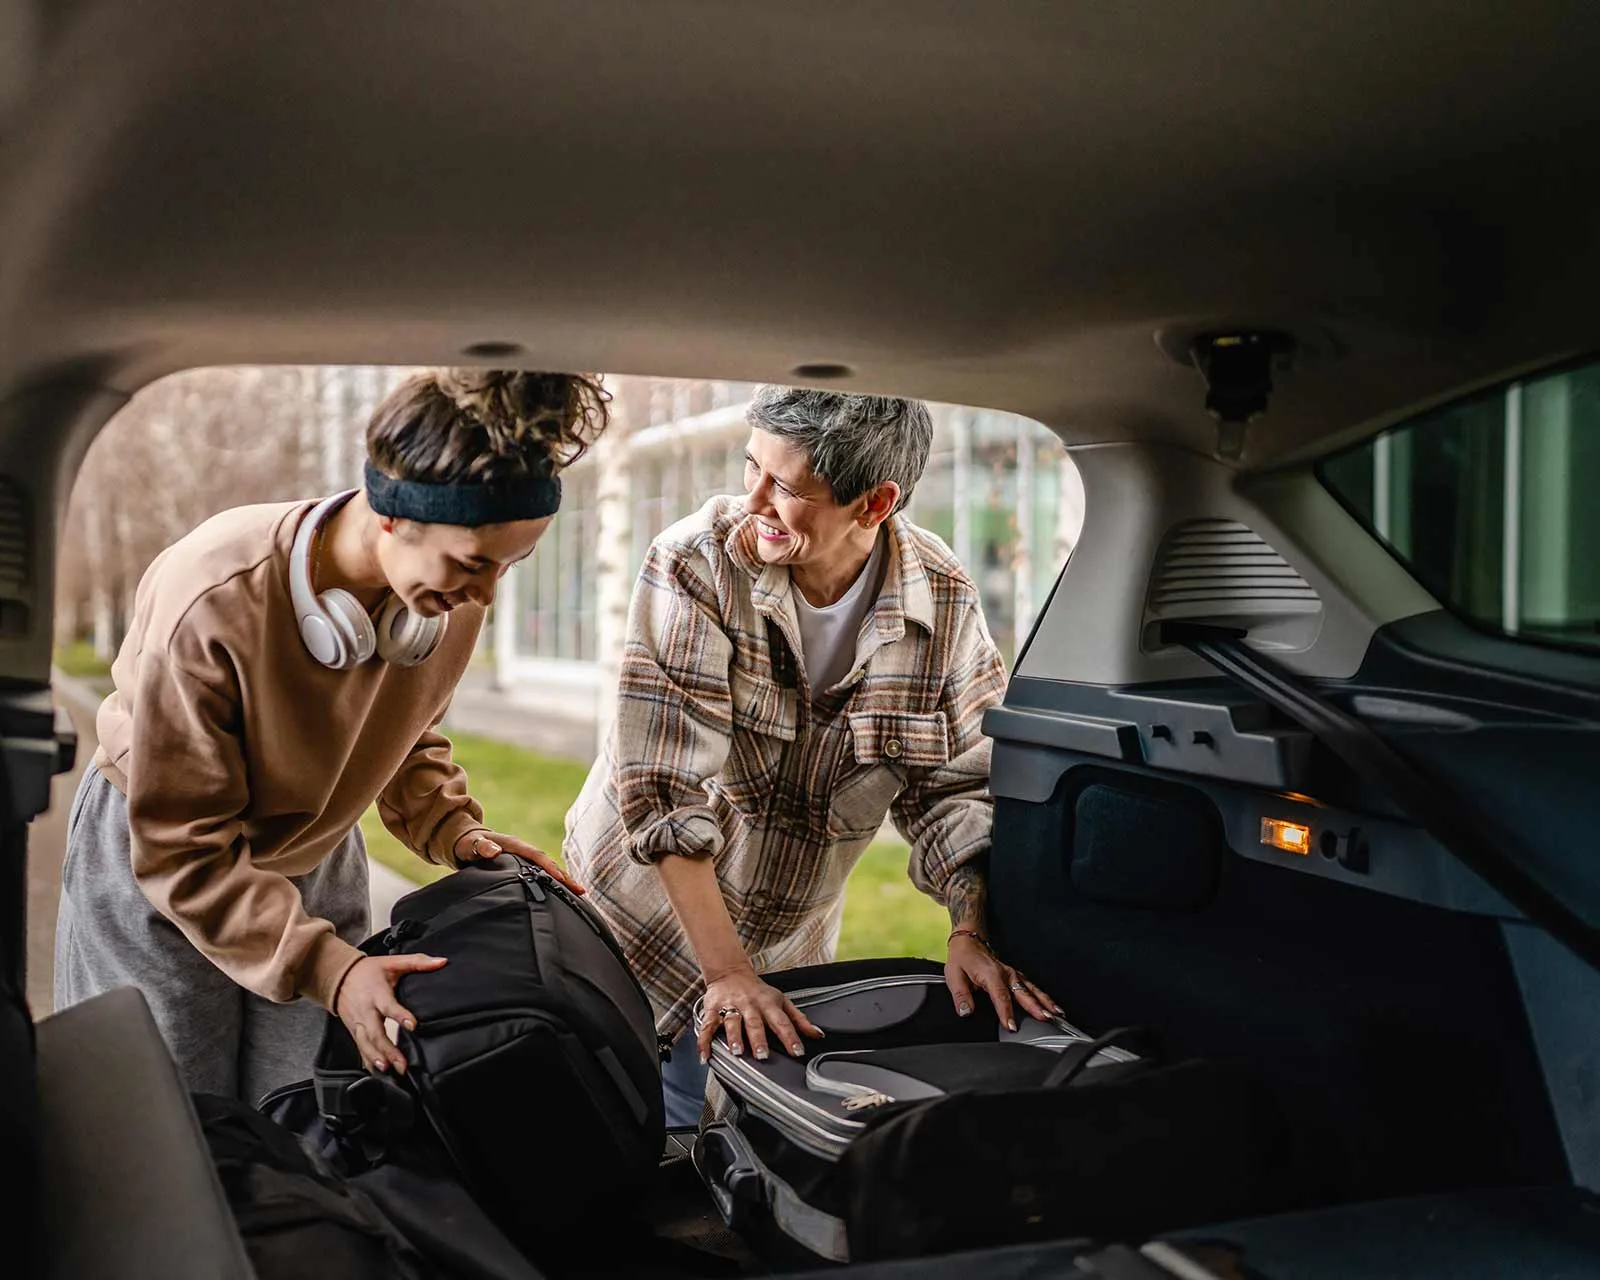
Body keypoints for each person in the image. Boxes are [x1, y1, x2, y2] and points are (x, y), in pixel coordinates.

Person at [55, 368, 607, 1103]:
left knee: (301, 1113)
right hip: (160, 861)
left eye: (510, 566)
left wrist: (453, 829)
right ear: (391, 514)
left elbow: (406, 732)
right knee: (166, 1116)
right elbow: (180, 846)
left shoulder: (448, 603)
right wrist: (331, 969)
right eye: (473, 564)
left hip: (319, 855)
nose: (484, 595)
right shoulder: (212, 596)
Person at [565, 385, 1059, 1126]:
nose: (752, 500)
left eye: (787, 487)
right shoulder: (695, 563)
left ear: (875, 503)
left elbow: (960, 790)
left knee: (731, 1161)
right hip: (631, 939)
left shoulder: (944, 598)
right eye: (751, 466)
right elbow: (664, 792)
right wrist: (725, 972)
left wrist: (970, 931)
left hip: (785, 965)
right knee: (606, 1146)